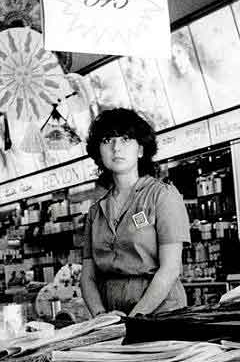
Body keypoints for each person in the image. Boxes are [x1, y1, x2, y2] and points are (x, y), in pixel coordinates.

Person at [80, 108, 191, 317]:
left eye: (125, 139)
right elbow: (88, 277)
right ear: (98, 152)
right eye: (107, 140)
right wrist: (100, 316)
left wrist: (135, 318)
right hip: (111, 315)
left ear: (140, 149)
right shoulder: (95, 212)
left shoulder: (162, 195)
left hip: (160, 312)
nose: (116, 148)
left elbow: (170, 269)